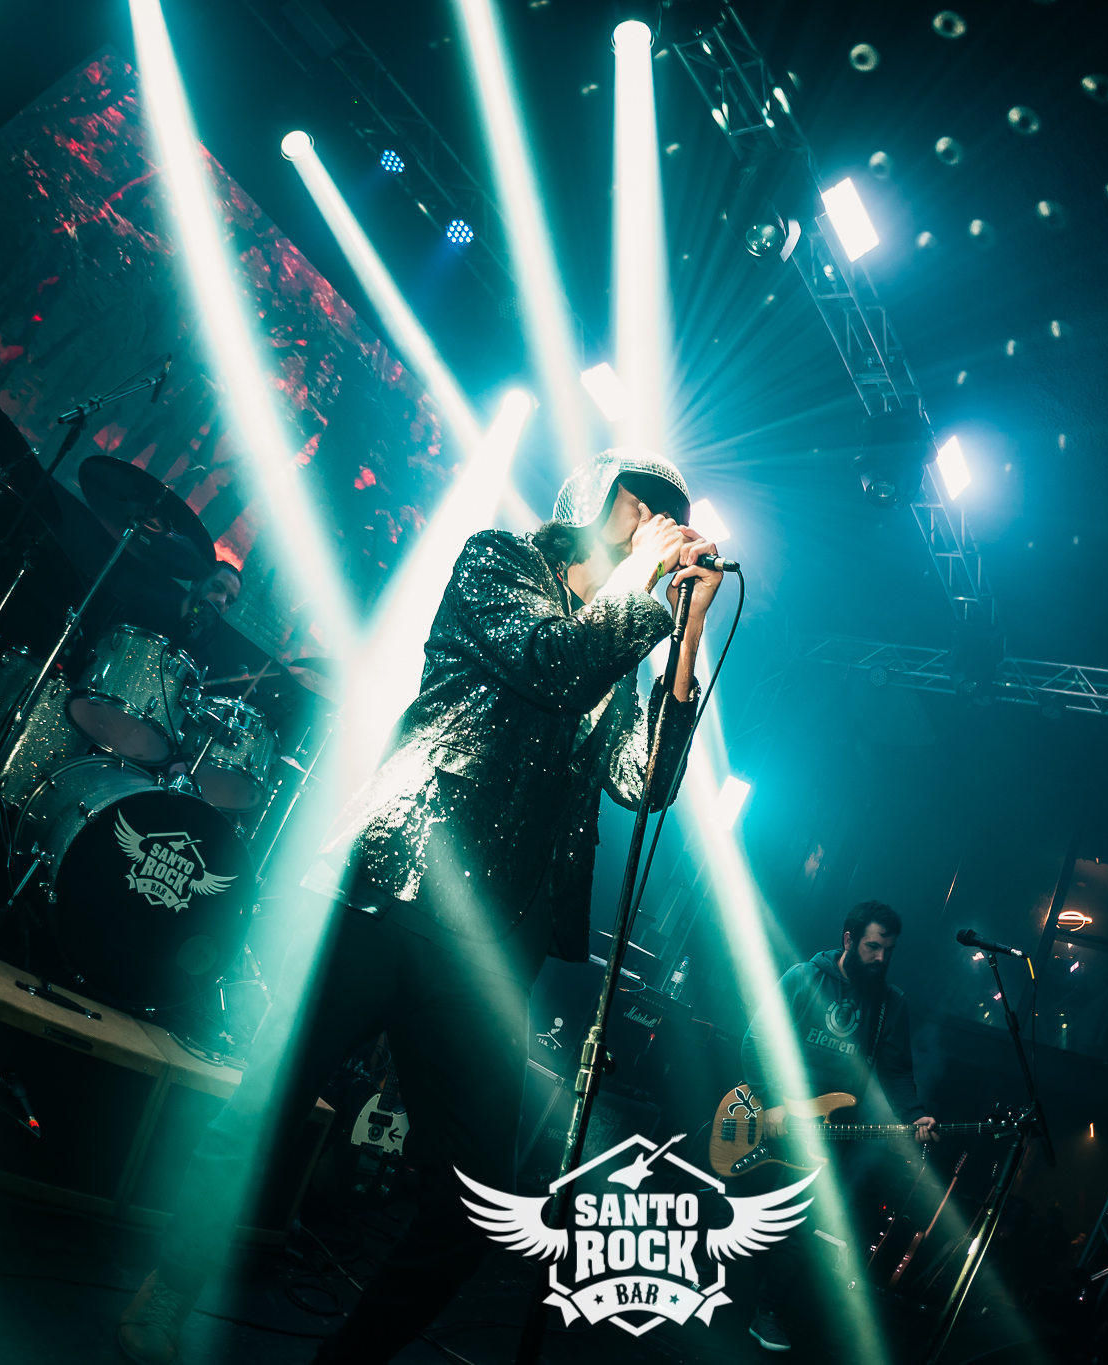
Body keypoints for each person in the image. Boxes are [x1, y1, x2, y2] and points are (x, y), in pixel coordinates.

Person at [116, 448, 724, 1364]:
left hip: (494, 940)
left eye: (666, 512)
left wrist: (685, 638)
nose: (654, 523)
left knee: (481, 1201)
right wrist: (637, 591)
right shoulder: (498, 564)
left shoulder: (621, 642)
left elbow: (645, 782)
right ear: (595, 500)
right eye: (640, 503)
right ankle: (168, 1286)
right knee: (271, 1103)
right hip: (396, 881)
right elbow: (550, 664)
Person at [739, 901, 938, 1352]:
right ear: (849, 939)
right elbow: (758, 1039)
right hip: (774, 1116)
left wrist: (914, 1115)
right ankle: (705, 1277)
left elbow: (896, 1071)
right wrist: (770, 1101)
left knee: (796, 1219)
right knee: (740, 1198)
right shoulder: (804, 977)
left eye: (889, 950)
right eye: (873, 946)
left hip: (828, 1134)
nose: (881, 958)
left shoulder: (891, 1003)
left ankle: (768, 1312)